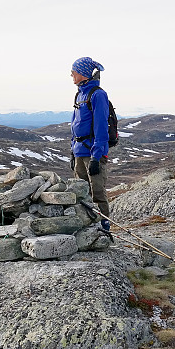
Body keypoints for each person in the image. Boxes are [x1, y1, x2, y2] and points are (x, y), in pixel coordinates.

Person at [70, 57, 111, 232]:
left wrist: (96, 156)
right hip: (80, 152)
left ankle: (104, 229)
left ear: (84, 73)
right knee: (81, 193)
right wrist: (73, 151)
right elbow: (74, 124)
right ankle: (88, 229)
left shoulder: (98, 94)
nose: (71, 74)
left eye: (74, 71)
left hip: (93, 152)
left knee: (97, 193)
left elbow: (101, 127)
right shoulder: (79, 94)